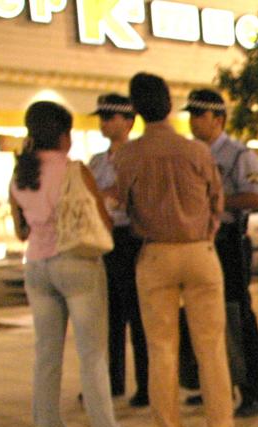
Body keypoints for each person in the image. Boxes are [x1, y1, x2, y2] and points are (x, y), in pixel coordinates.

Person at [7, 101, 143, 427]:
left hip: (36, 267)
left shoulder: (19, 174)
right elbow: (103, 221)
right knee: (92, 355)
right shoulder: (75, 171)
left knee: (46, 356)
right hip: (77, 265)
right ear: (64, 135)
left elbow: (21, 231)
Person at [113, 72, 236, 427]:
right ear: (168, 103)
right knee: (211, 345)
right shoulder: (197, 152)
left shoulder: (128, 155)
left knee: (161, 348)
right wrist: (205, 232)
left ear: (135, 109)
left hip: (155, 253)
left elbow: (124, 205)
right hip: (200, 251)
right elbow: (217, 202)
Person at [184, 89, 258, 418]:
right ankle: (214, 385)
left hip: (229, 240)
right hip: (199, 242)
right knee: (204, 317)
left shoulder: (237, 155)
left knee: (237, 317)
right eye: (190, 115)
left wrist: (214, 202)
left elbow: (257, 198)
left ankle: (252, 390)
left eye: (198, 115)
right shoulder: (190, 153)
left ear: (218, 119)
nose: (192, 122)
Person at [89, 93, 148, 408]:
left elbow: (141, 196)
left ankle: (146, 384)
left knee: (137, 314)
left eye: (110, 117)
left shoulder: (139, 156)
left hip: (132, 237)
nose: (104, 122)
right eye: (102, 117)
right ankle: (112, 382)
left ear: (129, 121)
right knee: (108, 316)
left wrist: (112, 195)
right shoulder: (97, 162)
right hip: (103, 240)